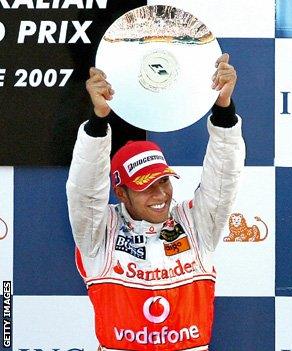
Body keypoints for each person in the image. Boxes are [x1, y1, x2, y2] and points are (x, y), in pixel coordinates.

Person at [66, 53, 245, 350]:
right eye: (145, 187)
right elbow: (84, 190)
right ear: (121, 193)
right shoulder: (99, 235)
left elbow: (224, 177)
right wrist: (98, 121)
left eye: (163, 181)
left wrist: (223, 110)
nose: (160, 194)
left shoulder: (196, 225)